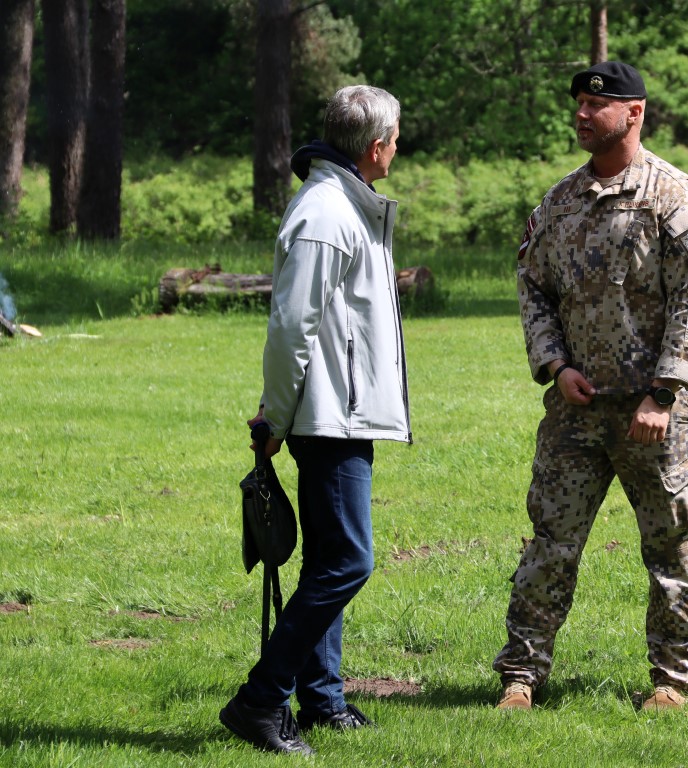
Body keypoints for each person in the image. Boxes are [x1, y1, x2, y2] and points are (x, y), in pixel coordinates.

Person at [493, 61, 688, 712]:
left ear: (634, 113)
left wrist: (665, 393)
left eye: (597, 105)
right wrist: (554, 365)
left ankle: (672, 680)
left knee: (672, 548)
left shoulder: (674, 198)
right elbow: (534, 287)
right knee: (550, 545)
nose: (582, 113)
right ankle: (521, 676)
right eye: (578, 103)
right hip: (576, 413)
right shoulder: (560, 202)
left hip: (653, 415)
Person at [220, 85, 412, 755]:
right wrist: (274, 415)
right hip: (329, 417)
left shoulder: (343, 203)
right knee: (349, 561)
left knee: (330, 558)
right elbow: (290, 327)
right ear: (376, 147)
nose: (398, 149)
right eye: (396, 139)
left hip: (340, 411)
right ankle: (260, 701)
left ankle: (323, 699)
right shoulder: (327, 212)